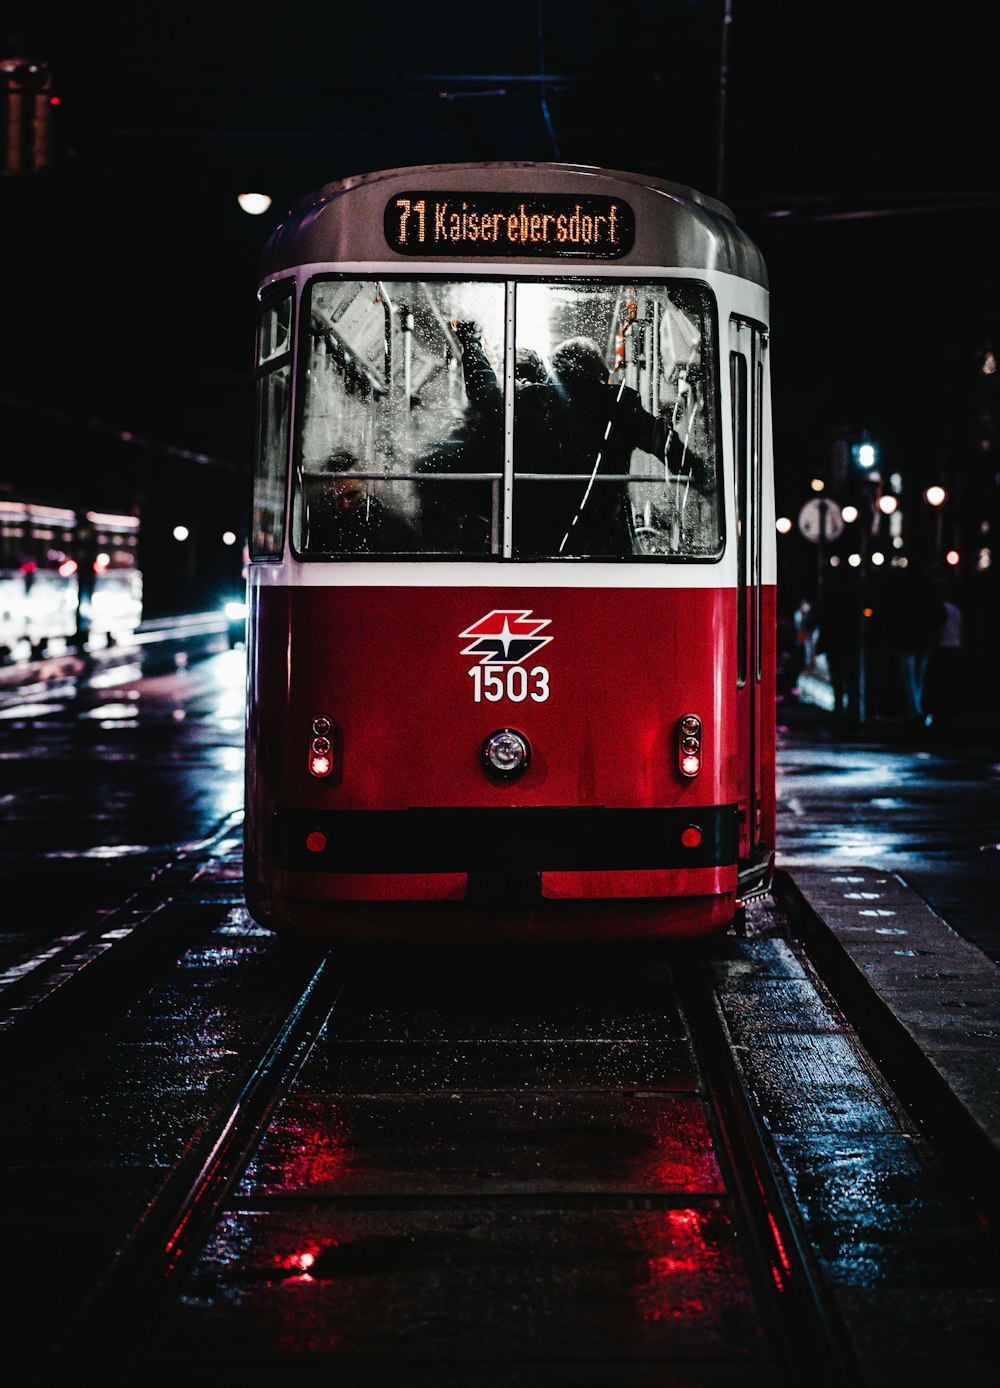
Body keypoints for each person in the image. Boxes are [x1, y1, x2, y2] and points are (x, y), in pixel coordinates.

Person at [452, 322, 710, 557]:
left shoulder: (526, 400)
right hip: (602, 541)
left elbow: (482, 391)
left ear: (555, 369)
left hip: (532, 539)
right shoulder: (619, 404)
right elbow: (663, 442)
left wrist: (471, 343)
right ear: (599, 369)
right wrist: (702, 475)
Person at [305, 450, 419, 554]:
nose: (345, 504)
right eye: (337, 498)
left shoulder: (395, 527)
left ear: (365, 487)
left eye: (352, 495)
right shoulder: (318, 527)